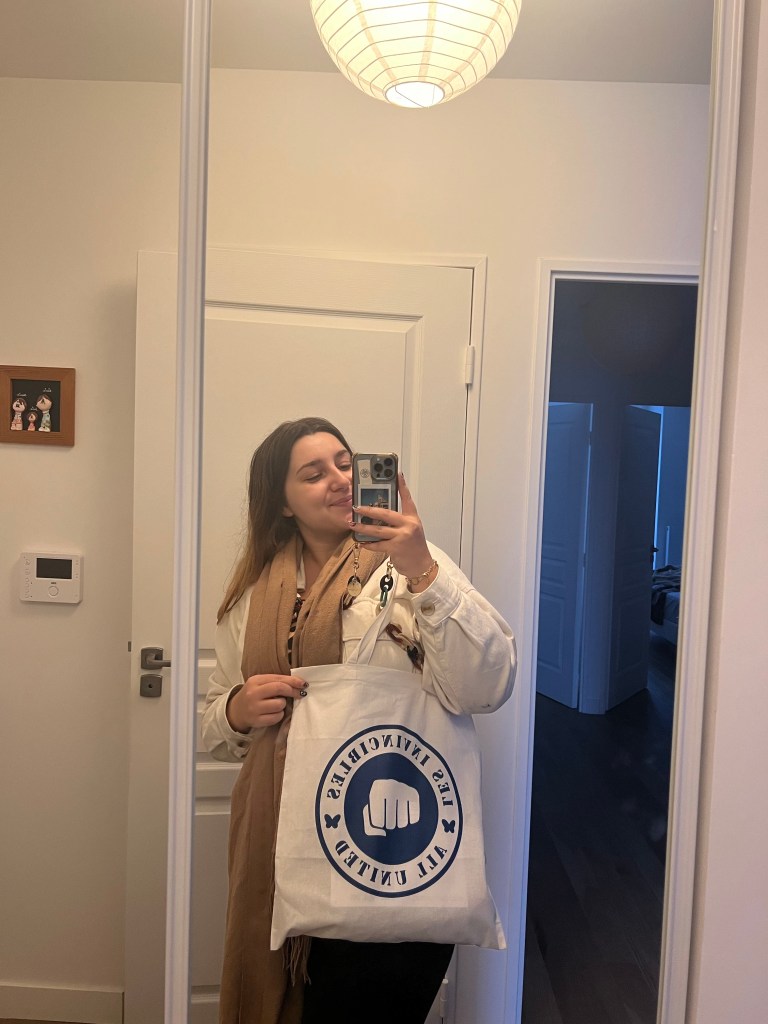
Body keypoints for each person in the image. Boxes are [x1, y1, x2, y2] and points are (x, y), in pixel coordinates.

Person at [202, 416, 516, 1024]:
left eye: (346, 464)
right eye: (313, 473)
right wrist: (237, 711)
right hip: (283, 852)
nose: (340, 479)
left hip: (391, 853)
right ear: (282, 503)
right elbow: (217, 723)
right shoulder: (252, 599)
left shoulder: (412, 568)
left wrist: (421, 567)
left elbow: (488, 684)